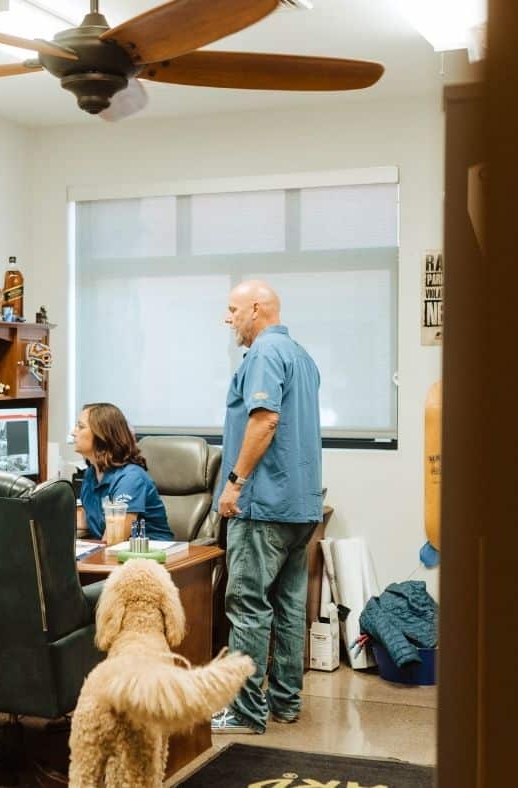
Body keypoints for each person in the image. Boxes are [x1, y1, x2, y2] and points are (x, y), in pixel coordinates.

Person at [210, 280, 323, 735]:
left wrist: (234, 483)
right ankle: (285, 702)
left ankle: (244, 711)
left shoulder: (262, 355)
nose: (227, 319)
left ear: (255, 310)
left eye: (232, 309)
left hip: (264, 505)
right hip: (301, 506)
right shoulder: (302, 356)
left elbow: (266, 420)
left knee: (248, 605)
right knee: (290, 606)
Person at [72, 402, 173, 543]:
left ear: (102, 435)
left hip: (150, 556)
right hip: (111, 553)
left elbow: (115, 539)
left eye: (80, 427)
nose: (73, 432)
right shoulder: (91, 474)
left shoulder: (130, 478)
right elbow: (85, 525)